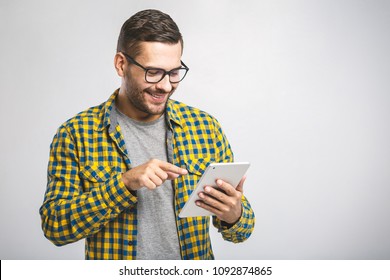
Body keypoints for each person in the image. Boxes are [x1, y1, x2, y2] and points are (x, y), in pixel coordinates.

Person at [39, 9, 255, 260]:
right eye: (153, 72)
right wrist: (124, 184)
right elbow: (55, 227)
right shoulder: (76, 134)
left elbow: (242, 231)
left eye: (174, 72)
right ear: (121, 64)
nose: (165, 85)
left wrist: (234, 213)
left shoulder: (205, 128)